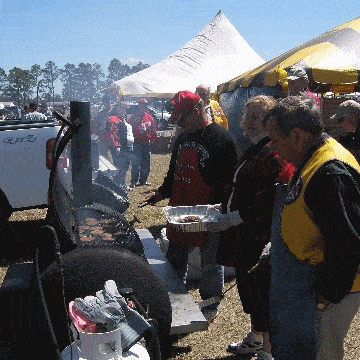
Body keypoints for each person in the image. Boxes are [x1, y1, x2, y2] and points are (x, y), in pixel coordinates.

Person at [264, 95, 360, 360]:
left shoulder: (331, 170)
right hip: (310, 280)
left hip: (329, 291)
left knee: (321, 354)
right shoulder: (311, 157)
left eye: (275, 139)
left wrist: (327, 296)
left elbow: (348, 242)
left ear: (296, 135)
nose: (273, 148)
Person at [143, 90, 238, 322]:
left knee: (210, 263)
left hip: (209, 213)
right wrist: (161, 192)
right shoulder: (183, 139)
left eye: (182, 118)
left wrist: (220, 214)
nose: (180, 124)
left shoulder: (221, 139)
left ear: (197, 111)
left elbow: (230, 182)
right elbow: (174, 172)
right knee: (176, 257)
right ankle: (176, 302)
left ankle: (209, 304)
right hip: (180, 210)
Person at [215, 95, 295, 360]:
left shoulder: (273, 152)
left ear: (271, 122)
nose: (248, 122)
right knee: (248, 289)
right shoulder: (254, 148)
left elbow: (273, 197)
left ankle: (269, 352)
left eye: (256, 117)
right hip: (245, 233)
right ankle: (256, 338)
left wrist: (237, 216)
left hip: (259, 235)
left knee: (261, 292)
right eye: (247, 116)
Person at [128, 98, 157, 188]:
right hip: (137, 143)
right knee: (136, 163)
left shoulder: (149, 117)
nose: (144, 106)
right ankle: (133, 181)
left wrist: (153, 138)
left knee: (146, 163)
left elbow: (153, 129)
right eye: (143, 104)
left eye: (146, 105)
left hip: (146, 143)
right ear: (139, 106)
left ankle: (143, 180)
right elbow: (129, 128)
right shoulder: (134, 117)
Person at [106, 102, 134, 189]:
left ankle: (122, 184)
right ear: (117, 108)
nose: (124, 110)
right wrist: (117, 146)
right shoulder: (113, 119)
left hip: (125, 146)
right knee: (120, 166)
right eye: (123, 108)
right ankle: (119, 185)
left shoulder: (121, 118)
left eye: (125, 109)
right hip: (118, 148)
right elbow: (113, 133)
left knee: (125, 166)